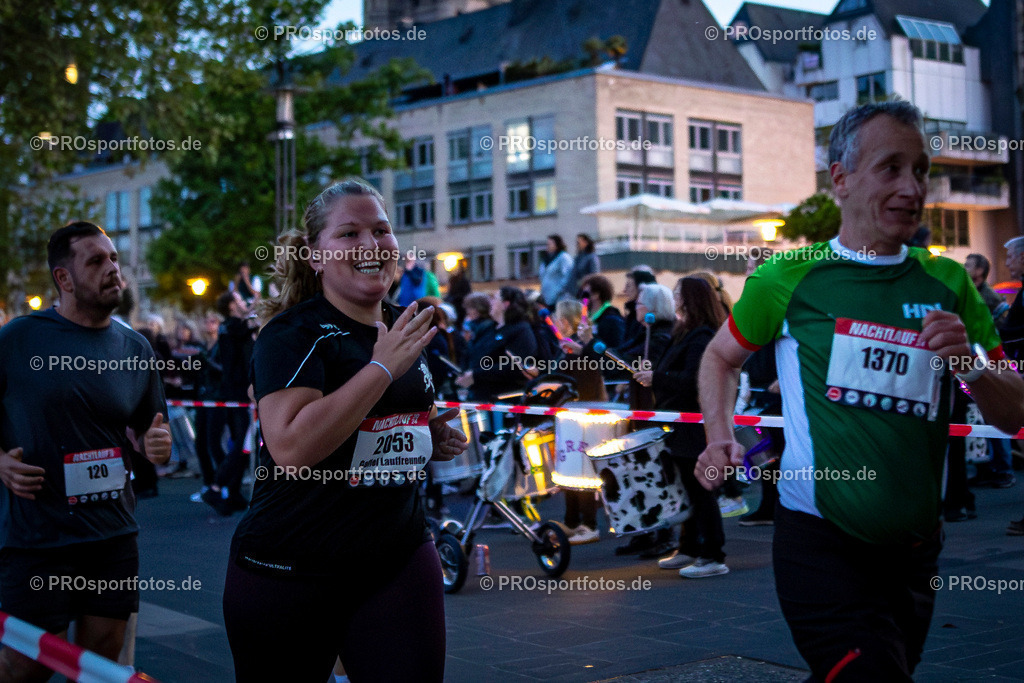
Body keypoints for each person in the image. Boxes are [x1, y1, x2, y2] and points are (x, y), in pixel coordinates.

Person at [696, 102, 1024, 680]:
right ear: (840, 179)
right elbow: (720, 357)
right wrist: (719, 437)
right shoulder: (788, 279)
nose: (911, 187)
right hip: (820, 543)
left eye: (920, 170)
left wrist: (972, 368)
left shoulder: (947, 282)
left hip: (916, 549)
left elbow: (1013, 413)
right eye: (890, 168)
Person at [222, 180, 467, 682]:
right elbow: (290, 447)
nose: (372, 246)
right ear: (315, 256)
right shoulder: (292, 335)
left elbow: (381, 428)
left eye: (381, 230)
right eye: (349, 233)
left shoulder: (406, 324)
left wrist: (428, 435)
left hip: (396, 556)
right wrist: (380, 371)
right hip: (291, 566)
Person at [0, 221, 171, 682]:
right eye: (96, 261)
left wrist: (156, 445)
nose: (113, 269)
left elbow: (148, 434)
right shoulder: (18, 340)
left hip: (111, 538)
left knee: (100, 666)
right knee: (22, 666)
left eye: (113, 258)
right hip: (37, 539)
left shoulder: (136, 348)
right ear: (64, 278)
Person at [635, 277, 727, 577]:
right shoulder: (683, 332)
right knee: (686, 489)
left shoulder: (701, 336)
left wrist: (657, 379)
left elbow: (692, 381)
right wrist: (655, 374)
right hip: (676, 421)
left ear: (690, 299)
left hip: (691, 423)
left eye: (678, 294)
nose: (674, 298)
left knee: (700, 490)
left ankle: (712, 554)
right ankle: (688, 547)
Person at [611, 283, 676, 557]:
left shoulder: (660, 336)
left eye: (639, 303)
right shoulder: (645, 332)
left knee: (655, 472)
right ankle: (646, 528)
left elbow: (636, 360)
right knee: (638, 471)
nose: (635, 307)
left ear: (651, 308)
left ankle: (664, 533)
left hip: (653, 413)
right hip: (640, 410)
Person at [200, 292, 256, 516]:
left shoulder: (232, 327)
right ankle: (216, 486)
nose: (244, 302)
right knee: (244, 443)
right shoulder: (235, 326)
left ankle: (232, 492)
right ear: (232, 306)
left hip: (234, 393)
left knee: (242, 442)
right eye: (240, 300)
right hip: (239, 394)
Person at [455, 287, 538, 403]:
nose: (490, 302)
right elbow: (470, 352)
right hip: (479, 395)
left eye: (494, 299)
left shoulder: (521, 330)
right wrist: (464, 372)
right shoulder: (487, 327)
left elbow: (516, 366)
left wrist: (476, 374)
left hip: (504, 399)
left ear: (506, 304)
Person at [539, 235, 573, 307]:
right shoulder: (546, 258)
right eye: (547, 244)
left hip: (559, 298)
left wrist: (559, 291)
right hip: (547, 297)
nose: (547, 246)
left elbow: (568, 276)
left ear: (557, 245)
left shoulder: (563, 257)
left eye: (549, 244)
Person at [568, 233, 600, 298]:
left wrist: (583, 282)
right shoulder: (578, 258)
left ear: (586, 243)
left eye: (578, 243)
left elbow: (595, 275)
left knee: (585, 307)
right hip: (576, 293)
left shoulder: (592, 257)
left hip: (587, 294)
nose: (577, 245)